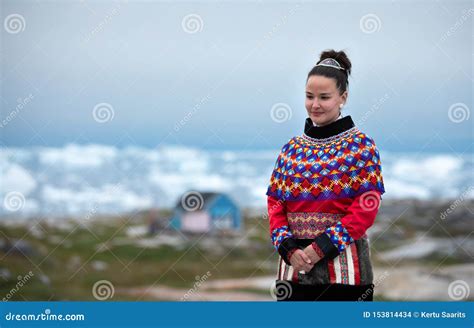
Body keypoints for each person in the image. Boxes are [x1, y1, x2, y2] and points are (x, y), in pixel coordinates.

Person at [267, 49, 385, 301]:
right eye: (309, 96)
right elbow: (275, 205)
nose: (315, 104)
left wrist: (318, 249)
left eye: (324, 97)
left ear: (343, 97)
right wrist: (288, 249)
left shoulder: (361, 146)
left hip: (346, 273)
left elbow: (366, 208)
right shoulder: (291, 150)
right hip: (293, 272)